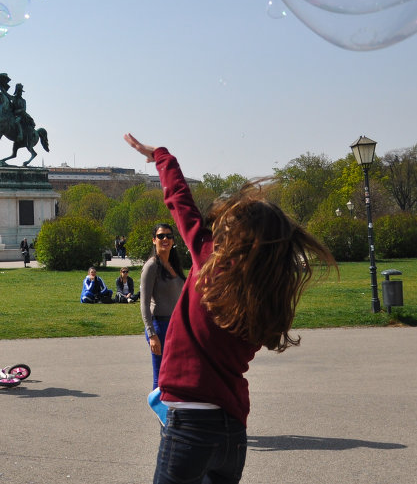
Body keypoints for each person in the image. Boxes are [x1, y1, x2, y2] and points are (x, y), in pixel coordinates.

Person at [124, 133, 336, 484]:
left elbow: (182, 204)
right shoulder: (266, 292)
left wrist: (163, 157)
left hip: (189, 426)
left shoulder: (208, 259)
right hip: (232, 432)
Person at [139, 223, 187, 387]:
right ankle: (161, 412)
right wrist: (152, 334)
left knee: (177, 376)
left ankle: (171, 412)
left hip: (177, 327)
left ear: (173, 241)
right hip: (160, 326)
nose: (165, 239)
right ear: (154, 240)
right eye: (160, 236)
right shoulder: (152, 266)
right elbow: (144, 303)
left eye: (169, 236)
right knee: (160, 379)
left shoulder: (174, 264)